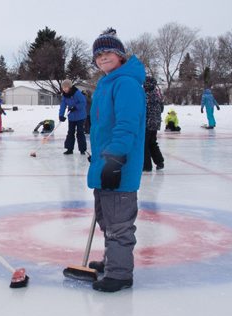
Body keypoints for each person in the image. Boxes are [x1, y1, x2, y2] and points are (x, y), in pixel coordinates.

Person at [86, 28, 146, 292]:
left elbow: (126, 124)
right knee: (106, 218)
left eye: (108, 52)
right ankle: (113, 261)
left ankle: (120, 274)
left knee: (119, 222)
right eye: (98, 55)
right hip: (104, 162)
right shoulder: (107, 83)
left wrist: (115, 158)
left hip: (119, 164)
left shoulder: (125, 83)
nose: (102, 58)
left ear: (120, 55)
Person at [58, 79, 87, 155]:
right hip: (71, 117)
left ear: (70, 87)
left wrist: (75, 107)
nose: (64, 89)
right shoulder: (64, 95)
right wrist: (61, 115)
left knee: (80, 132)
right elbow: (63, 105)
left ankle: (82, 149)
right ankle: (69, 149)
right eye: (63, 88)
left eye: (66, 87)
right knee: (70, 132)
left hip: (80, 116)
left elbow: (83, 102)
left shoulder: (77, 93)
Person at [143, 76, 165, 172]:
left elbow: (142, 110)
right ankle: (159, 161)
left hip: (147, 123)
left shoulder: (146, 95)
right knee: (152, 143)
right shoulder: (156, 94)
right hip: (155, 123)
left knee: (145, 145)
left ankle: (147, 166)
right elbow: (162, 108)